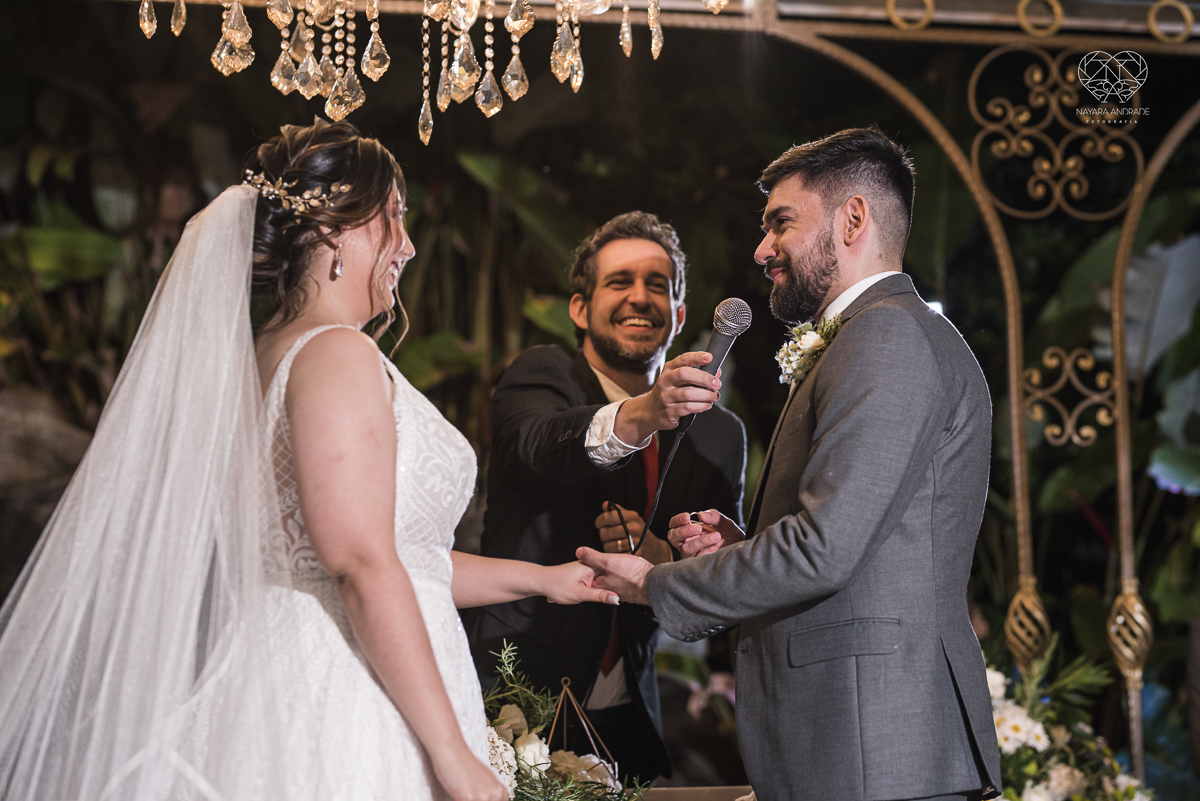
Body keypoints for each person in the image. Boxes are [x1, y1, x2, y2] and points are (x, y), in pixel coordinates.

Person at [0, 120, 617, 801]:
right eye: (394, 218)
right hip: (344, 693)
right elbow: (357, 562)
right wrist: (450, 751)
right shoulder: (336, 352)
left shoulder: (269, 354)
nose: (408, 246)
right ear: (335, 233)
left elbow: (395, 556)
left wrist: (542, 578)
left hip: (321, 667)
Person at [577, 129, 1003, 801]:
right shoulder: (881, 335)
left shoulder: (885, 336)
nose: (762, 249)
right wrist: (744, 547)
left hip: (874, 752)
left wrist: (657, 584)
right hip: (862, 750)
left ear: (852, 219)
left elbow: (825, 547)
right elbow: (859, 544)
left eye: (781, 223)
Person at [463, 212, 747, 783]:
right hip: (517, 695)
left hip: (628, 710)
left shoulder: (719, 436)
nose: (638, 297)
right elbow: (539, 444)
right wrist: (646, 412)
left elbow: (725, 593)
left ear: (681, 315)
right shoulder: (540, 376)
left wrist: (679, 563)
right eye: (619, 282)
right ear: (579, 308)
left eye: (657, 285)